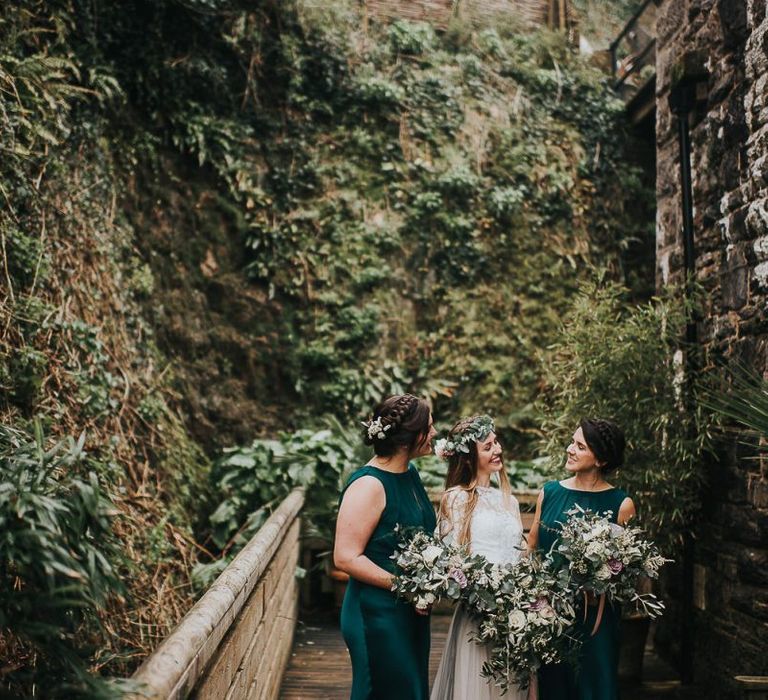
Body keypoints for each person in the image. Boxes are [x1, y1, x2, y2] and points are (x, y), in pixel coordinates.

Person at [334, 394, 438, 700]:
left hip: (409, 610)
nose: (434, 434)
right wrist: (404, 586)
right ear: (411, 437)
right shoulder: (369, 486)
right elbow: (345, 556)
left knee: (409, 689)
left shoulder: (410, 474)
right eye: (429, 428)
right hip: (375, 613)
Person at [528, 418, 636, 700]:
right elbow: (532, 549)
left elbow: (623, 568)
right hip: (550, 614)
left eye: (579, 446)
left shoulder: (621, 504)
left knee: (594, 689)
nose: (569, 449)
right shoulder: (549, 492)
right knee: (554, 687)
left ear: (600, 459)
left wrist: (600, 579)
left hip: (595, 620)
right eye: (571, 442)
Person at [430, 415, 529, 700]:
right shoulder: (456, 498)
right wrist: (484, 592)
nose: (497, 449)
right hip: (478, 612)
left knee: (508, 687)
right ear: (471, 457)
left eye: (496, 442)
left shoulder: (508, 499)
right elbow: (453, 556)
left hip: (515, 614)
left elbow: (518, 552)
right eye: (488, 446)